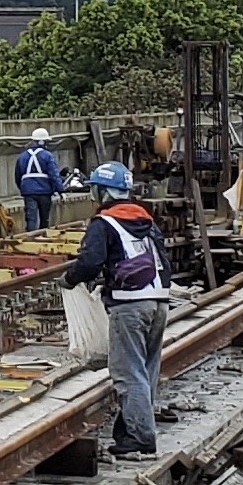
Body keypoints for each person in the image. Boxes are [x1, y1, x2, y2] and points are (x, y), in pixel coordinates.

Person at [59, 162, 171, 457]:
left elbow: (90, 261)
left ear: (100, 191)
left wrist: (71, 280)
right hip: (159, 301)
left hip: (130, 305)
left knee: (127, 371)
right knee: (146, 369)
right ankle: (129, 431)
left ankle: (140, 437)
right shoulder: (145, 219)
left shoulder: (104, 223)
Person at [15, 128, 64, 232]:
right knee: (44, 218)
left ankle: (30, 237)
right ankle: (43, 236)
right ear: (44, 141)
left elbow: (18, 176)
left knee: (31, 218)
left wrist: (23, 189)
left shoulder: (22, 156)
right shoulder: (48, 156)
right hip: (44, 191)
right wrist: (60, 190)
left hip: (28, 191)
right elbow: (54, 175)